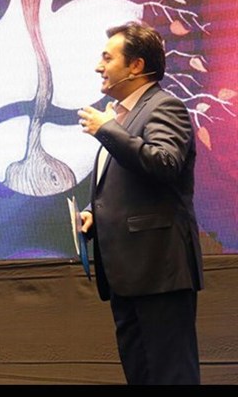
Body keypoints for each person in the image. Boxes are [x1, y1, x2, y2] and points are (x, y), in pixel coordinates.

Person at [77, 20, 204, 385]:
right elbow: (129, 183)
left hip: (159, 270)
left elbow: (165, 163)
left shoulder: (165, 107)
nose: (98, 67)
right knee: (142, 375)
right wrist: (93, 214)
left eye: (107, 58)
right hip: (127, 274)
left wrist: (106, 129)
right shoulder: (123, 116)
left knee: (172, 376)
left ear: (136, 65)